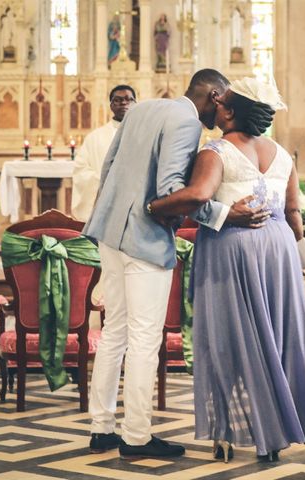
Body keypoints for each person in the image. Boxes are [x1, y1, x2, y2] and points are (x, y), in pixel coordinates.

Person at [83, 69, 266, 460]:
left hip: (109, 232)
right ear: (215, 95)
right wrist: (224, 215)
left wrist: (108, 217)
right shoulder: (186, 123)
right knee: (146, 339)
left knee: (115, 331)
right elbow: (172, 192)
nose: (226, 113)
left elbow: (108, 168)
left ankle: (101, 427)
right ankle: (136, 437)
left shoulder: (143, 107)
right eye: (226, 103)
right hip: (144, 240)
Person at [150, 77, 305, 461]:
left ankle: (226, 435)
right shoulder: (282, 154)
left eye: (222, 102)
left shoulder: (215, 152)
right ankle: (274, 435)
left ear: (229, 112)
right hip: (279, 247)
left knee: (226, 340)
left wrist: (156, 206)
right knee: (277, 339)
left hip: (231, 249)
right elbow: (295, 213)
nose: (215, 104)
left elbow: (199, 198)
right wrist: (296, 256)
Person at [71, 85, 137, 221]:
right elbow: (81, 169)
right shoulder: (95, 137)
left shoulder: (146, 134)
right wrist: (102, 181)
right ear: (111, 105)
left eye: (128, 99)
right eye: (118, 100)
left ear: (135, 104)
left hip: (136, 202)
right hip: (105, 203)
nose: (124, 103)